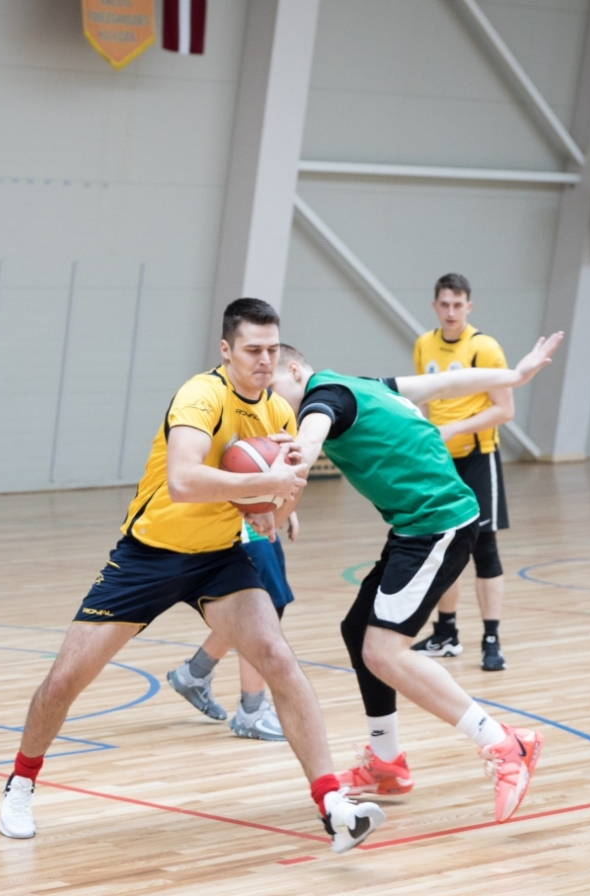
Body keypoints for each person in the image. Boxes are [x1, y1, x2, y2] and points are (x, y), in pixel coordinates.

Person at [0, 298, 385, 853]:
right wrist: (264, 483)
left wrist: (277, 504)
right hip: (149, 555)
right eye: (253, 350)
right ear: (226, 350)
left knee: (277, 657)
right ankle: (20, 783)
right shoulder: (200, 396)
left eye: (273, 350)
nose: (265, 361)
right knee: (65, 680)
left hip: (219, 558)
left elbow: (277, 501)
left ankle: (332, 805)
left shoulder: (280, 412)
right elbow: (183, 481)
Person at [268, 331, 563, 822]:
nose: (272, 399)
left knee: (383, 651)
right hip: (418, 526)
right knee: (357, 629)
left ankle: (505, 743)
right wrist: (514, 375)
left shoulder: (324, 399)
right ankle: (387, 763)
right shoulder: (365, 386)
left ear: (295, 371)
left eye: (273, 385)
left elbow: (313, 435)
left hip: (438, 525)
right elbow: (442, 386)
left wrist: (290, 464)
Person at [168, 345, 308, 743]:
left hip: (256, 520)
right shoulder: (229, 405)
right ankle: (251, 709)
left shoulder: (274, 413)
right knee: (261, 611)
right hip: (240, 527)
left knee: (259, 609)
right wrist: (263, 505)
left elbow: (272, 475)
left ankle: (195, 672)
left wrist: (281, 507)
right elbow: (241, 471)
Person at [408, 274, 516, 671]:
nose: (451, 312)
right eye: (445, 304)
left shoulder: (484, 348)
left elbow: (505, 410)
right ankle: (446, 634)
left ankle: (491, 638)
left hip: (477, 457)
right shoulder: (424, 344)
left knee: (484, 548)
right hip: (441, 461)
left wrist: (455, 429)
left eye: (458, 305)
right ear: (435, 306)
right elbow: (425, 400)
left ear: (469, 306)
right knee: (445, 547)